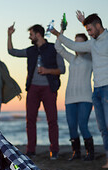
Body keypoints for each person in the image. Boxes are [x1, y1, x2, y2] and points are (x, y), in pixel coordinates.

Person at [52, 12, 108, 170]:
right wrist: (58, 33)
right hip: (97, 90)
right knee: (102, 128)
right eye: (86, 30)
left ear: (98, 26)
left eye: (89, 30)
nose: (89, 33)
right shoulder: (92, 44)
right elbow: (73, 46)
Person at [7, 23, 65, 160]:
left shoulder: (53, 48)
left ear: (38, 34)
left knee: (52, 120)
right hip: (32, 88)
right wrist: (9, 35)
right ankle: (31, 150)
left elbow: (62, 69)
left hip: (49, 88)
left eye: (31, 34)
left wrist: (47, 71)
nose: (29, 37)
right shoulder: (31, 50)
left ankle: (54, 151)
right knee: (30, 120)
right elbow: (12, 52)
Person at [51, 24, 94, 161]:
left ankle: (90, 153)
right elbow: (58, 47)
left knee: (82, 125)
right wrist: (61, 32)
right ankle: (76, 153)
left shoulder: (91, 58)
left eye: (80, 43)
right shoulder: (72, 58)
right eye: (75, 43)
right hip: (70, 98)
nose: (77, 46)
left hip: (85, 98)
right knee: (71, 127)